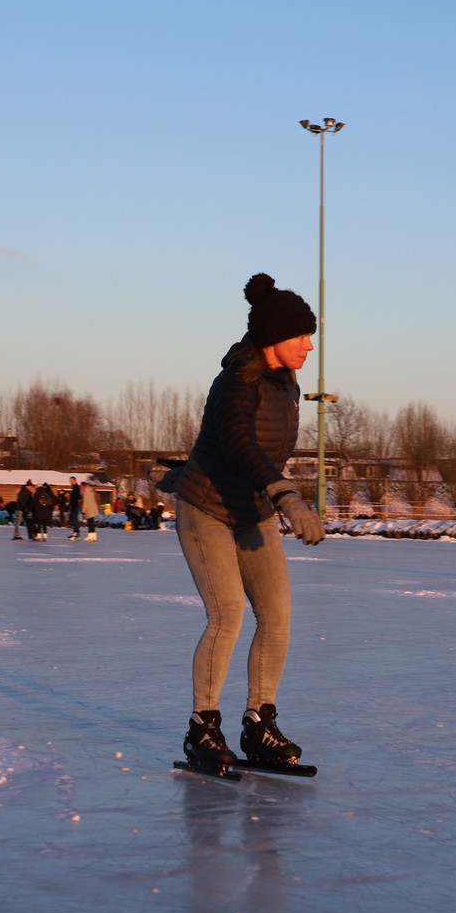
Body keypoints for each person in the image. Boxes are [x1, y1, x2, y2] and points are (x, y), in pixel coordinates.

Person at [169, 273, 326, 775]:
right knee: (228, 614)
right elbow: (240, 445)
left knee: (277, 615)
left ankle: (259, 725)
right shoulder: (236, 381)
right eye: (301, 336)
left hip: (252, 513)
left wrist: (273, 496)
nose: (309, 345)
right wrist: (286, 494)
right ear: (273, 337)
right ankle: (203, 726)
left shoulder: (286, 382)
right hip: (208, 509)